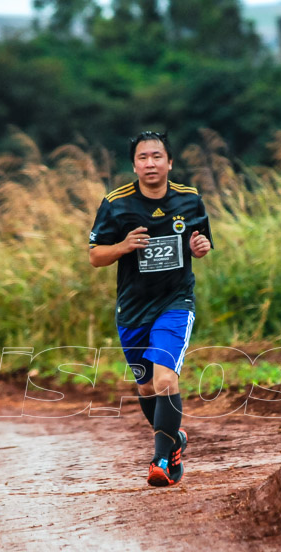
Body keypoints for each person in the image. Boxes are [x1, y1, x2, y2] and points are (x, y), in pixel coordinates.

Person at [88, 131, 213, 487]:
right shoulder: (116, 204)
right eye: (143, 158)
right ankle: (175, 440)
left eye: (157, 156)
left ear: (170, 162)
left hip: (175, 302)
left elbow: (201, 244)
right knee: (146, 388)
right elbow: (96, 256)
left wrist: (200, 247)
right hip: (132, 308)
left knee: (164, 379)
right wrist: (124, 245)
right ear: (134, 165)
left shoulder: (190, 201)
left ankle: (163, 459)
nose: (150, 163)